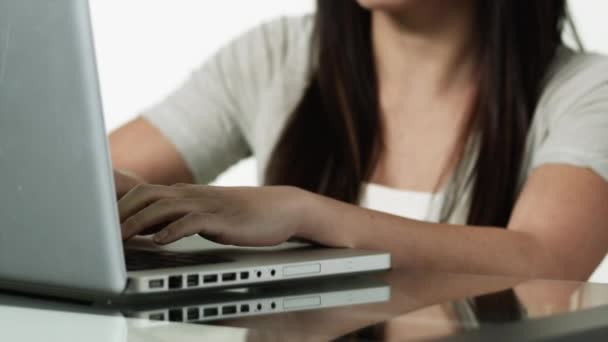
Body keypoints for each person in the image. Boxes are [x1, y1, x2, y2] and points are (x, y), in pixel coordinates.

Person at [110, 0, 608, 281]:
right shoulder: (276, 56)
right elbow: (93, 178)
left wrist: (301, 213)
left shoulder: (586, 91)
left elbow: (546, 259)